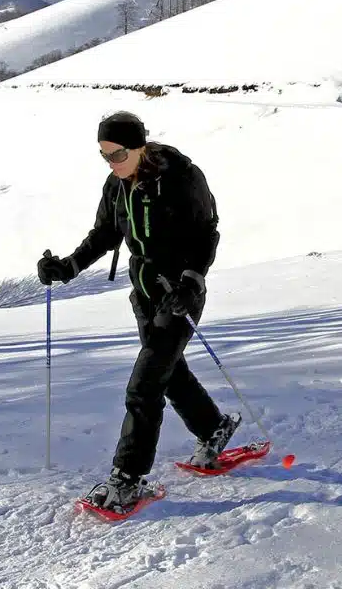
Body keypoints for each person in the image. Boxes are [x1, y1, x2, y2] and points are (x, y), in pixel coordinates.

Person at [37, 111, 239, 511]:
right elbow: (104, 234)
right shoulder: (116, 185)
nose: (111, 163)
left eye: (117, 154)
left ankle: (127, 478)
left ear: (139, 146)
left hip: (179, 294)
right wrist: (67, 267)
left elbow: (206, 234)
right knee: (169, 372)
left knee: (144, 385)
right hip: (145, 292)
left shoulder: (182, 179)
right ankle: (213, 427)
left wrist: (192, 280)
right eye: (104, 155)